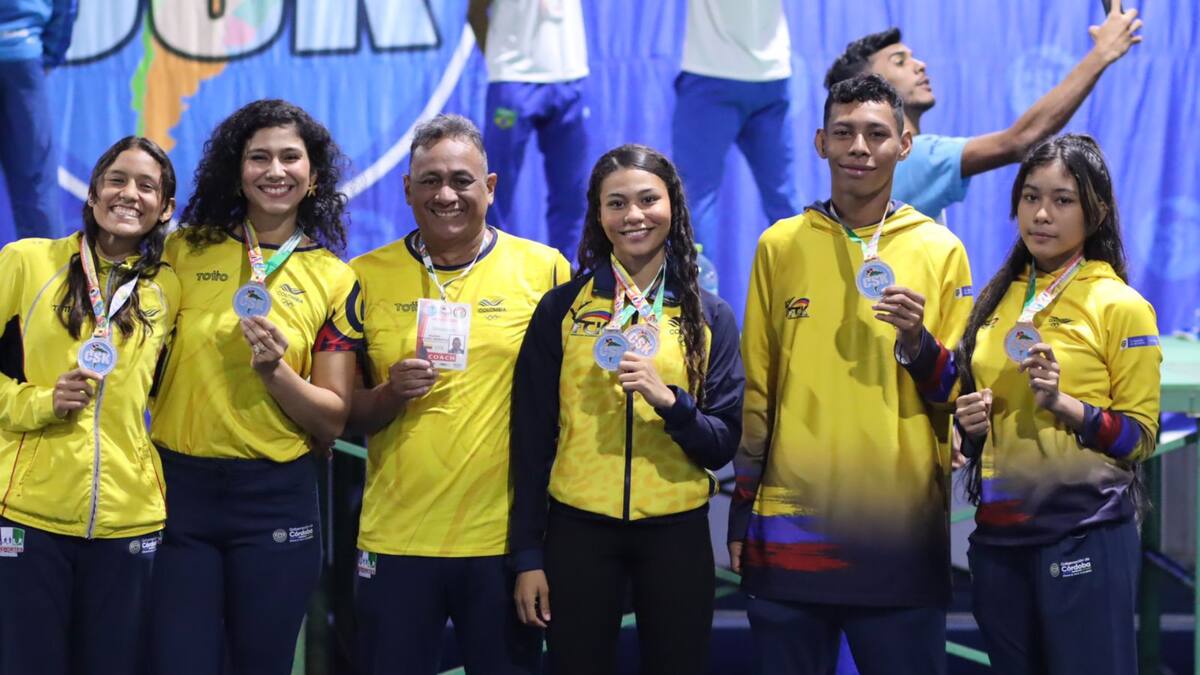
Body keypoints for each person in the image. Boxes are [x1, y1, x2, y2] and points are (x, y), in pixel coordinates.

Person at [728, 74, 973, 675]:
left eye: (876, 134)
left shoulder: (941, 249)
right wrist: (742, 508)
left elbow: (959, 393)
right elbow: (757, 391)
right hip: (789, 534)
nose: (859, 147)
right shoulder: (779, 246)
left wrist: (917, 343)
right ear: (820, 143)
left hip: (899, 539)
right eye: (843, 132)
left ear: (905, 144)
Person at [909, 134, 1159, 673]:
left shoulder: (1121, 305)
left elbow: (1139, 438)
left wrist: (1068, 406)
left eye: (1062, 200)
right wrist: (969, 422)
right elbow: (964, 398)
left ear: (1096, 212)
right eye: (1030, 197)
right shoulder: (998, 297)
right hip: (1000, 542)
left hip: (1083, 535)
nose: (1042, 214)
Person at [509, 144, 745, 674]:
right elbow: (530, 439)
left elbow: (722, 443)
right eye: (616, 203)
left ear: (673, 207)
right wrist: (527, 555)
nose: (634, 215)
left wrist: (672, 404)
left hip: (676, 533)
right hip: (578, 532)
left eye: (647, 200)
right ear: (598, 215)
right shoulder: (562, 308)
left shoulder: (710, 316)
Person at [347, 113, 569, 675]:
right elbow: (345, 411)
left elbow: (566, 406)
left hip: (503, 546)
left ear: (489, 187)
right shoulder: (362, 276)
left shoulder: (545, 269)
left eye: (461, 180)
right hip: (396, 539)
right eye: (430, 181)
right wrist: (390, 393)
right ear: (407, 189)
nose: (445, 195)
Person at [147, 99, 362, 675]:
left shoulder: (335, 279)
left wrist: (275, 372)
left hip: (275, 497)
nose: (275, 170)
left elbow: (333, 418)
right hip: (178, 490)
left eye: (290, 157)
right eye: (258, 157)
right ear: (236, 170)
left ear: (314, 176)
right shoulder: (182, 251)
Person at [0, 136, 178, 675]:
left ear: (165, 208)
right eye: (117, 180)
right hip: (30, 514)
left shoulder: (170, 288)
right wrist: (39, 401)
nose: (129, 194)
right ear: (93, 191)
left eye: (147, 186)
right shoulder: (27, 261)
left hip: (130, 518)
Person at [824, 1, 1143, 221]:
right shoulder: (910, 157)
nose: (919, 65)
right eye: (899, 61)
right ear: (868, 86)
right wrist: (1101, 54)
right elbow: (1019, 141)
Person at [672, 0, 801, 249]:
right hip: (771, 75)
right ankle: (808, 270)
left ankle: (695, 274)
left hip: (712, 72)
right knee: (783, 195)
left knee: (696, 197)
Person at [467, 0, 590, 257]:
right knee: (495, 188)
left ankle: (568, 269)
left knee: (572, 191)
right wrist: (498, 61)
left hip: (570, 77)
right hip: (513, 79)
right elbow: (475, 11)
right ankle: (493, 263)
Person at [0, 0, 78, 238]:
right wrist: (50, 54)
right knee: (36, 184)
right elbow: (66, 6)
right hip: (22, 55)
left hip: (22, 54)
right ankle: (44, 262)